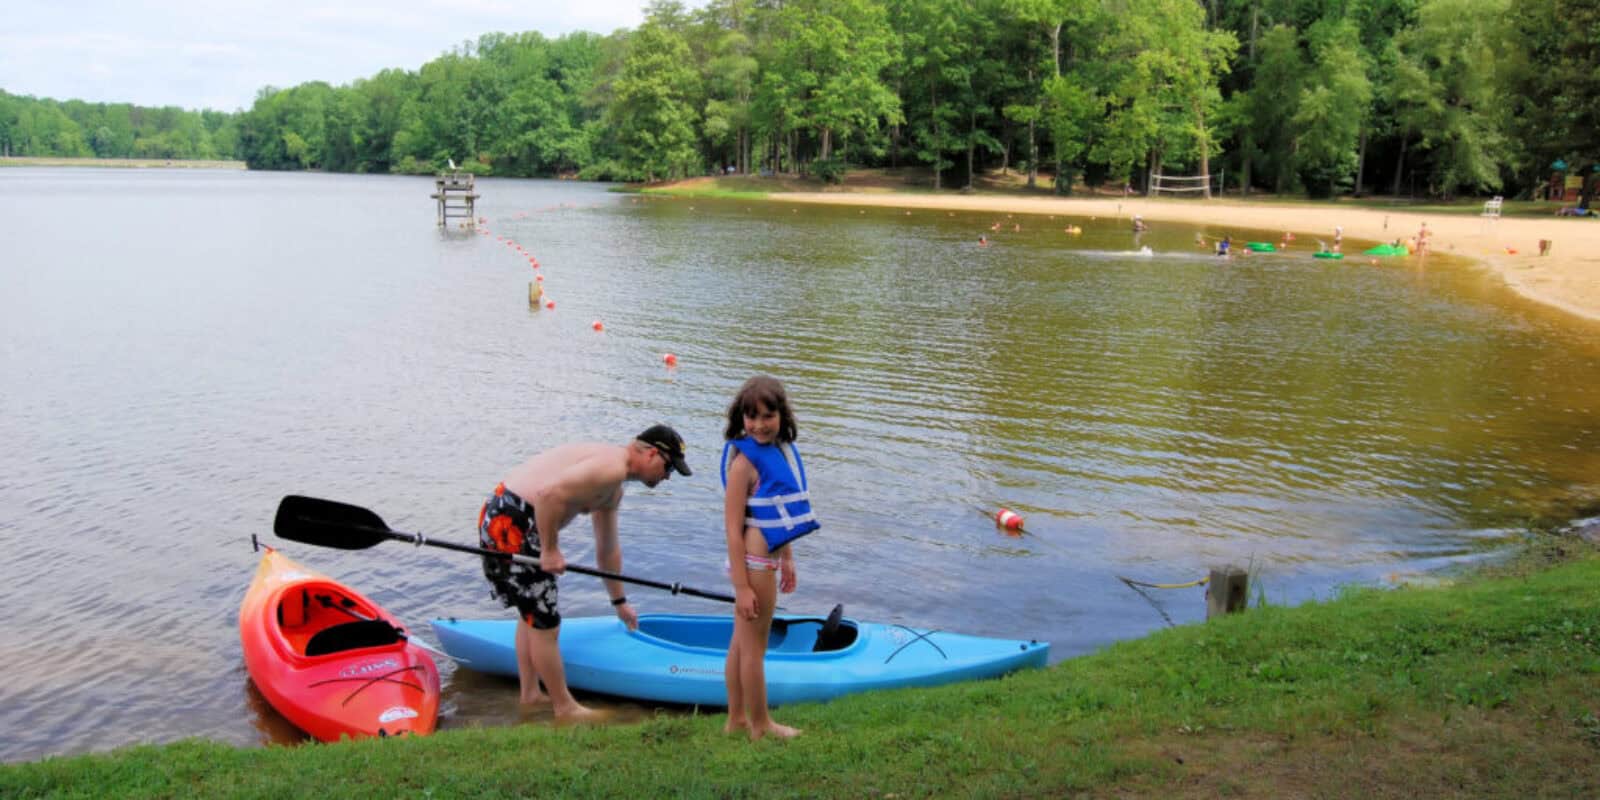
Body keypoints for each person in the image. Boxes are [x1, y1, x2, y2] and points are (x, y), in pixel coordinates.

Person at [477, 425, 692, 719]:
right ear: (652, 453)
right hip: (513, 518)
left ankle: (530, 694)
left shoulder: (613, 488)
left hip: (504, 512)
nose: (667, 477)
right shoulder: (611, 468)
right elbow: (548, 495)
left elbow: (607, 550)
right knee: (546, 622)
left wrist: (619, 603)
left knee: (532, 612)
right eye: (669, 468)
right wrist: (549, 550)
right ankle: (564, 707)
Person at [721, 375, 818, 741]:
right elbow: (732, 530)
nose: (759, 425)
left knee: (740, 643)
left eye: (767, 416)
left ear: (782, 415)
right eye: (751, 417)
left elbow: (776, 515)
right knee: (754, 649)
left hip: (766, 559)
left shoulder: (778, 450)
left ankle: (736, 720)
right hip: (753, 565)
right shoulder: (743, 464)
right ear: (740, 418)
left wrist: (788, 557)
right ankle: (761, 725)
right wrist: (742, 587)